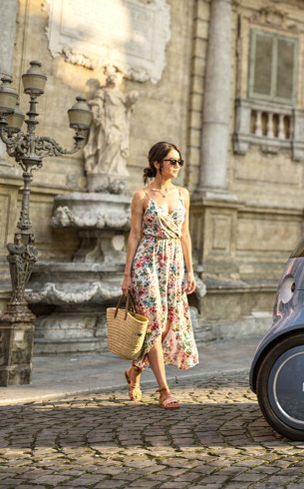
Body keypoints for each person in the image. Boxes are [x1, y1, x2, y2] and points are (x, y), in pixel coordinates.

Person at [121, 141, 198, 409]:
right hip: (147, 261)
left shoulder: (183, 194)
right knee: (155, 320)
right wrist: (127, 273)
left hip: (173, 261)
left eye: (179, 162)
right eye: (172, 161)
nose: (176, 166)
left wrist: (190, 270)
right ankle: (164, 390)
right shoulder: (141, 196)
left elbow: (185, 234)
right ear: (157, 164)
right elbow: (134, 235)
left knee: (165, 325)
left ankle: (135, 371)